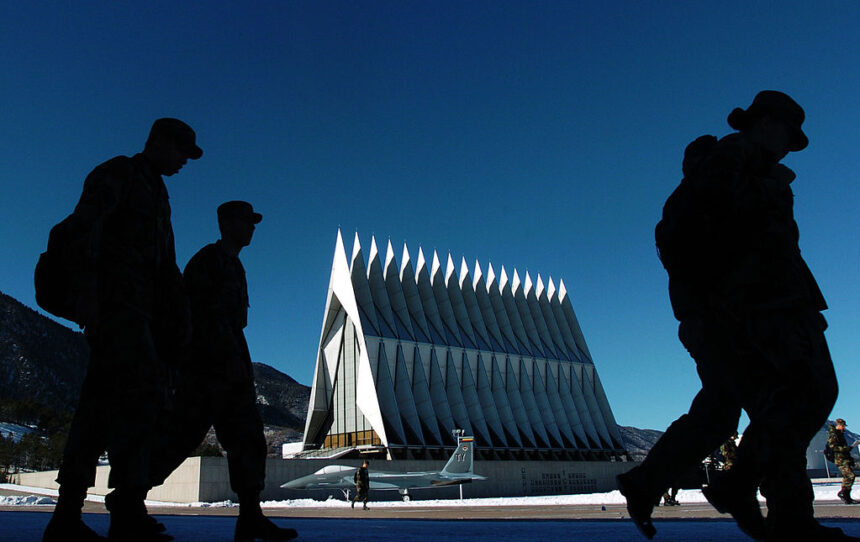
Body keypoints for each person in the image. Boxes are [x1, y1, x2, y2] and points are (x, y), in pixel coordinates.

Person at [617, 91, 855, 541]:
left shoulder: (756, 169)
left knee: (736, 409)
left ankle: (779, 514)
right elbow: (681, 237)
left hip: (765, 306)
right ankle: (753, 493)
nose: (790, 143)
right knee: (804, 394)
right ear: (764, 122)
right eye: (788, 132)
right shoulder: (732, 163)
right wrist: (722, 301)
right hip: (758, 309)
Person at [43, 118, 201, 542]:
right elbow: (84, 230)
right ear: (159, 142)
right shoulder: (119, 173)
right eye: (182, 150)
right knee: (136, 404)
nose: (186, 160)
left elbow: (164, 266)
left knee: (99, 410)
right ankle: (125, 509)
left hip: (140, 315)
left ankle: (67, 516)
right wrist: (88, 298)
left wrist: (177, 321)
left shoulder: (158, 193)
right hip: (116, 310)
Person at [149, 201, 297, 541]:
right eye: (246, 221)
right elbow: (192, 318)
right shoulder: (206, 262)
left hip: (233, 370)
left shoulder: (236, 267)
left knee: (249, 441)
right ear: (226, 223)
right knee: (178, 439)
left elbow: (237, 322)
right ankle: (128, 499)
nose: (252, 228)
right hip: (205, 370)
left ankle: (250, 516)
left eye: (253, 222)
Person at [828, 418, 857, 504]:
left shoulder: (840, 434)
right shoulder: (834, 435)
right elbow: (833, 447)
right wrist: (846, 448)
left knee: (848, 477)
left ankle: (846, 496)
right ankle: (843, 493)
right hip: (840, 459)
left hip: (845, 459)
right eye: (843, 426)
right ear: (839, 425)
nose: (844, 428)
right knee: (850, 476)